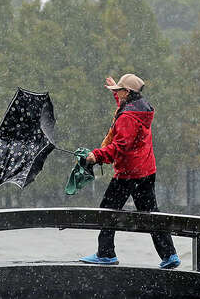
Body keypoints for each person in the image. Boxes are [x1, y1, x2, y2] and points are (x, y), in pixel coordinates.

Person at [79, 73, 181, 269]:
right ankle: (170, 255)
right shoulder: (141, 109)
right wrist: (115, 91)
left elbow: (120, 147)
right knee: (151, 214)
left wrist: (96, 156)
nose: (117, 93)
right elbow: (124, 109)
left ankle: (106, 254)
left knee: (107, 210)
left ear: (127, 92)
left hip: (128, 173)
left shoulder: (127, 118)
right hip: (146, 170)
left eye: (119, 90)